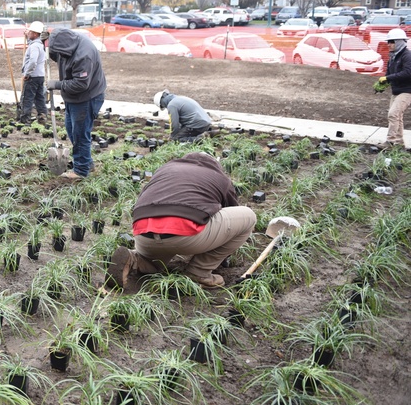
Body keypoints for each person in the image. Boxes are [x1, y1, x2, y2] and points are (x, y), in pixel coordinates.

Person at [107, 152, 256, 290]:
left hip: (143, 233)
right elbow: (230, 211)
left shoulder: (165, 169)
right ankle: (199, 272)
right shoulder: (219, 178)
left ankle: (136, 259)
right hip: (184, 234)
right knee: (248, 217)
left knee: (154, 261)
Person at [46, 28, 107, 180]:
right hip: (73, 97)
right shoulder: (65, 40)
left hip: (87, 97)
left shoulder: (84, 56)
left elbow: (81, 84)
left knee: (80, 134)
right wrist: (44, 43)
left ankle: (80, 170)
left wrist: (58, 84)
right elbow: (54, 54)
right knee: (71, 129)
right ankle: (87, 162)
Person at [380, 28, 411, 149]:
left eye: (391, 41)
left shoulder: (407, 56)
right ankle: (399, 143)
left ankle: (390, 142)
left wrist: (388, 78)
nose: (389, 44)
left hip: (407, 90)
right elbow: (388, 73)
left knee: (393, 114)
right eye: (388, 42)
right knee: (397, 116)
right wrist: (383, 84)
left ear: (399, 42)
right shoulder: (392, 57)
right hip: (396, 90)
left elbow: (408, 73)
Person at [19, 20, 48, 124]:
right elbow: (31, 42)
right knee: (39, 98)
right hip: (40, 76)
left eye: (30, 32)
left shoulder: (35, 46)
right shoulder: (39, 44)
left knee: (27, 98)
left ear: (35, 34)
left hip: (32, 77)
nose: (29, 33)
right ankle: (42, 116)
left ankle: (25, 120)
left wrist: (27, 74)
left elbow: (32, 62)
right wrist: (27, 36)